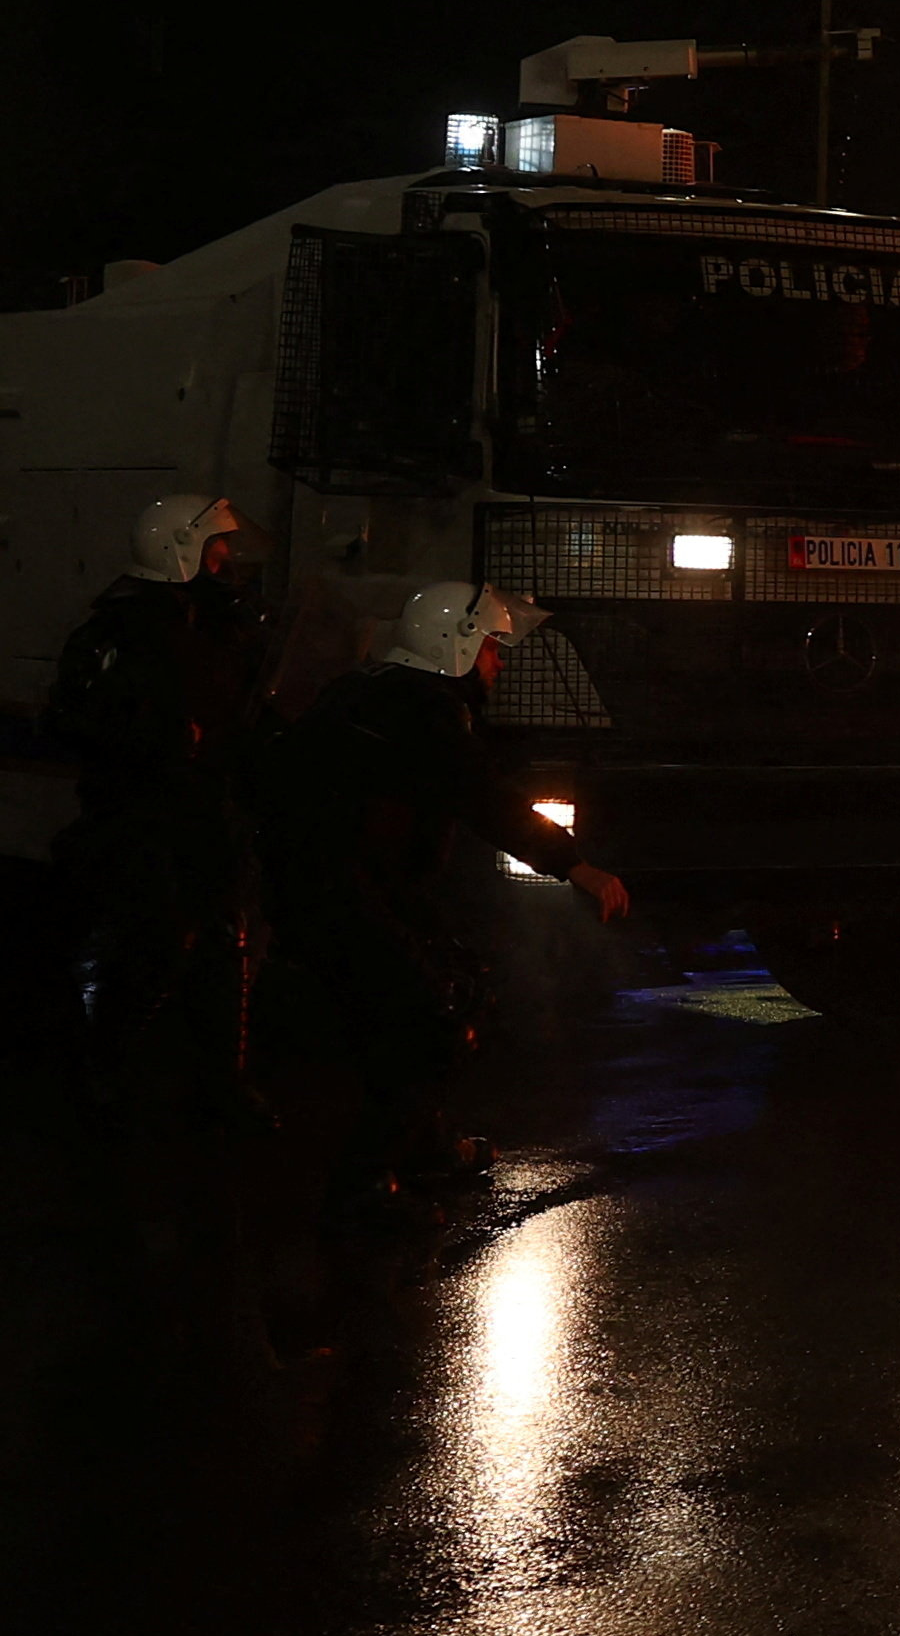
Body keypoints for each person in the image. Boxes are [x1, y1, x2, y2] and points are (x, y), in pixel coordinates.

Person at [255, 584, 628, 1211]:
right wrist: (576, 866)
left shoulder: (372, 689)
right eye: (490, 647)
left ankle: (420, 1142)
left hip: (340, 882)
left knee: (440, 989)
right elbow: (486, 799)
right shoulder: (422, 710)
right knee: (427, 1017)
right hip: (343, 888)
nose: (498, 662)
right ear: (453, 645)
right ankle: (366, 1180)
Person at [39, 496, 272, 1119]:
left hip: (204, 806)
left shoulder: (218, 622)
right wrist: (150, 738)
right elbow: (70, 718)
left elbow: (239, 704)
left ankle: (221, 1084)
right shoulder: (118, 630)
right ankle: (100, 1074)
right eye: (215, 550)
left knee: (224, 943)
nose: (226, 562)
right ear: (181, 550)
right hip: (141, 810)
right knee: (154, 942)